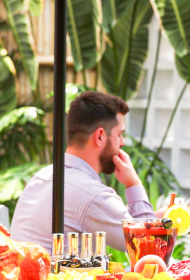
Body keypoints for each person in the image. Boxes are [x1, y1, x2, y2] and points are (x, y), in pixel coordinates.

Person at [10, 91, 156, 252]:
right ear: (100, 136)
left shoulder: (43, 176)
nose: (122, 142)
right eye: (120, 135)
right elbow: (149, 246)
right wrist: (133, 184)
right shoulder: (92, 195)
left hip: (26, 267)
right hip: (56, 269)